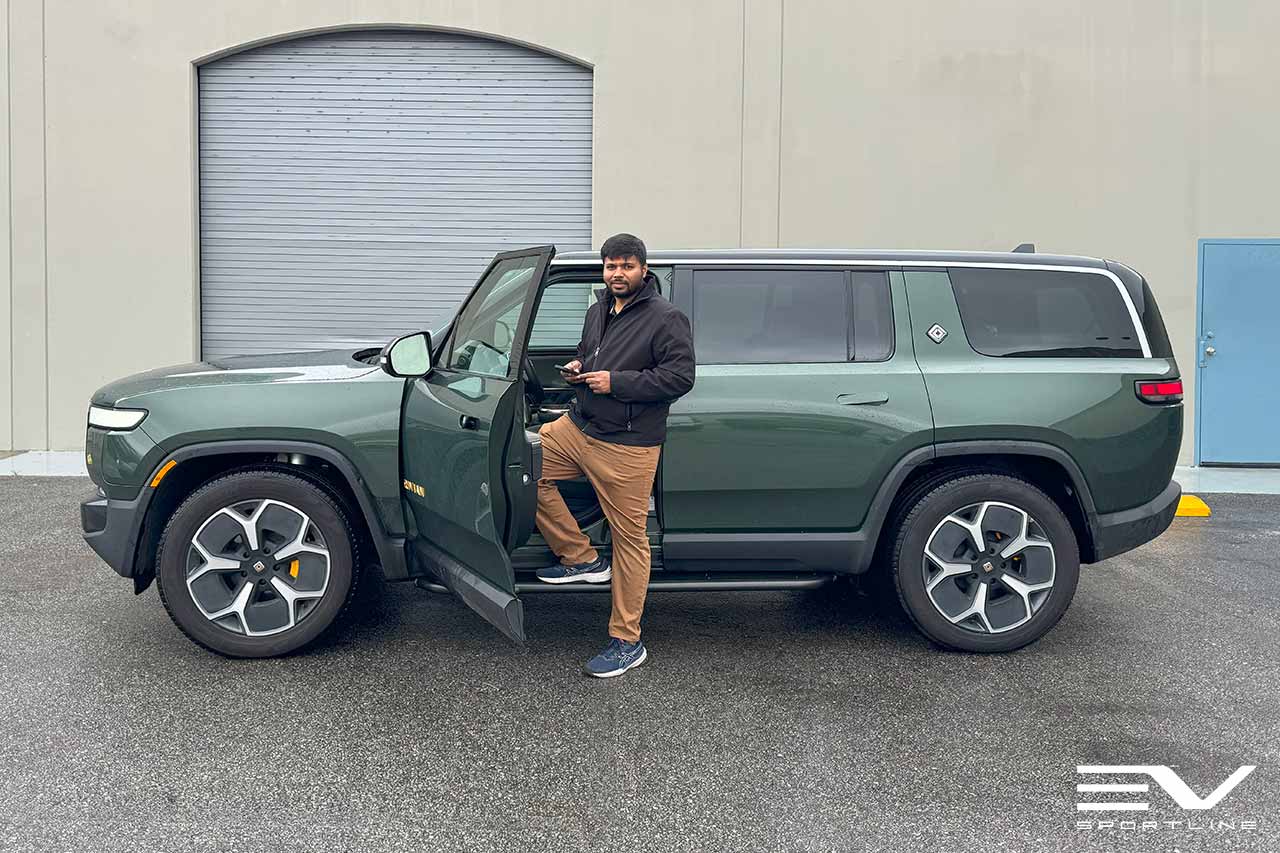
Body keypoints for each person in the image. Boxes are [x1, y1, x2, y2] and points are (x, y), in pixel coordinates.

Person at [533, 233, 695, 677]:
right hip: (578, 428)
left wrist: (616, 382)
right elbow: (590, 355)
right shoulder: (597, 310)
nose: (617, 273)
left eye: (626, 265)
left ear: (643, 269)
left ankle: (627, 640)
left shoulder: (666, 318)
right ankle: (582, 557)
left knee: (630, 540)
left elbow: (680, 378)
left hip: (628, 445)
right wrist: (578, 367)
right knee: (522, 469)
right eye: (610, 265)